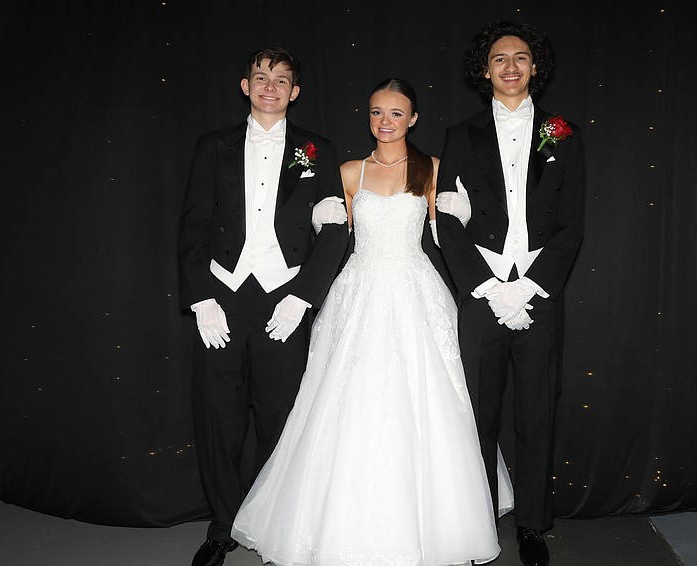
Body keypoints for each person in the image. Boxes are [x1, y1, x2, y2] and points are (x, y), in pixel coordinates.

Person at [231, 78, 513, 566]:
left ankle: (436, 526)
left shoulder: (431, 169)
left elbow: (448, 239)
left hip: (415, 291)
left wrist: (462, 217)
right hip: (358, 291)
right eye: (377, 112)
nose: (386, 121)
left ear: (413, 119)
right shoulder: (348, 172)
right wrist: (317, 224)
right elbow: (324, 238)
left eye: (397, 113)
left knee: (427, 398)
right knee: (346, 397)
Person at [178, 47, 349, 566]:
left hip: (284, 296)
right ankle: (222, 527)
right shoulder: (213, 146)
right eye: (260, 77)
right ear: (245, 86)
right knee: (218, 418)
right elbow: (193, 226)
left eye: (280, 80)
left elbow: (334, 229)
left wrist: (303, 297)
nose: (269, 87)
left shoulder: (318, 150)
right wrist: (201, 298)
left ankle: (271, 525)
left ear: (294, 91)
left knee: (280, 417)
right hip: (223, 296)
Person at [435, 20, 586, 566]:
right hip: (482, 294)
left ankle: (531, 526)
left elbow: (571, 223)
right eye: (500, 58)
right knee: (478, 412)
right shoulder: (461, 135)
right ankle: (476, 522)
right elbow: (446, 219)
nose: (511, 66)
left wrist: (531, 287)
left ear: (534, 66)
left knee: (537, 411)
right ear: (485, 69)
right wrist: (487, 287)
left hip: (538, 293)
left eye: (520, 57)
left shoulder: (564, 133)